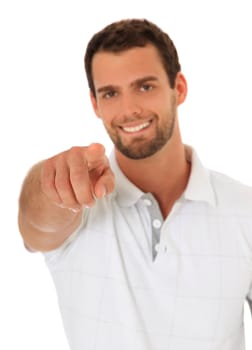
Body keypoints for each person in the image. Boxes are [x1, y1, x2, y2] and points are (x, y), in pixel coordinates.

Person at [18, 18, 252, 350]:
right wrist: (51, 184)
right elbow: (35, 222)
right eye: (110, 93)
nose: (129, 109)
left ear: (179, 88)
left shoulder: (245, 211)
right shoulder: (80, 205)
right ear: (95, 105)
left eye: (145, 86)